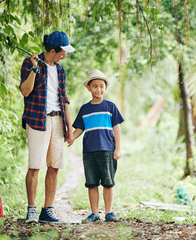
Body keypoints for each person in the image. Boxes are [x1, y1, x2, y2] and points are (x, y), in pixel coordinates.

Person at [20, 31, 75, 223]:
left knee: (55, 166)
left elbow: (64, 100)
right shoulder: (30, 63)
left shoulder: (61, 70)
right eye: (62, 52)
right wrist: (34, 69)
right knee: (35, 166)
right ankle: (31, 210)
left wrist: (69, 128)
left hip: (57, 121)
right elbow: (25, 92)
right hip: (37, 120)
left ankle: (47, 210)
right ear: (53, 51)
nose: (64, 55)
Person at [70, 70, 124, 222]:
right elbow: (79, 128)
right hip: (89, 151)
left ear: (105, 87)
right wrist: (72, 137)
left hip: (107, 150)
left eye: (101, 86)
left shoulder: (110, 106)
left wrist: (118, 148)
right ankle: (94, 213)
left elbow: (117, 128)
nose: (98, 89)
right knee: (92, 183)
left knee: (108, 182)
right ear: (89, 88)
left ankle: (109, 212)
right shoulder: (84, 109)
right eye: (95, 86)